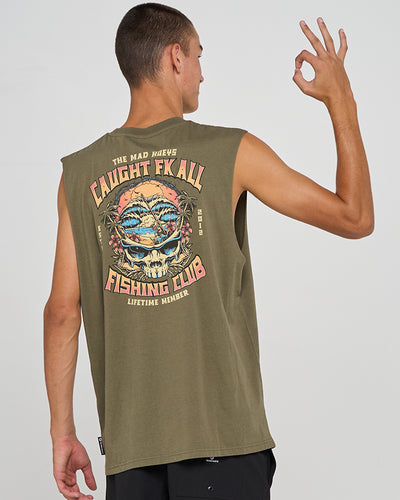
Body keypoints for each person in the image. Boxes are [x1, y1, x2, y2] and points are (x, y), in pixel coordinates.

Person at [43, 3, 374, 500]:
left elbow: (61, 313)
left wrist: (63, 433)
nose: (202, 72)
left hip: (132, 455)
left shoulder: (79, 174)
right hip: (226, 443)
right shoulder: (233, 152)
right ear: (175, 57)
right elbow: (355, 217)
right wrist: (341, 100)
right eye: (199, 55)